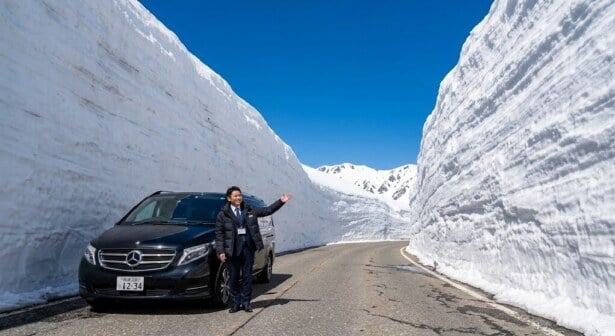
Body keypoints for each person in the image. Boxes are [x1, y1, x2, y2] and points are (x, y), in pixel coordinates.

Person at [215, 186, 293, 313]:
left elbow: (268, 210)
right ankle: (235, 303)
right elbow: (219, 234)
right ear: (229, 198)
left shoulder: (250, 209)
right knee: (233, 278)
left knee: (247, 277)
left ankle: (246, 302)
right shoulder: (223, 214)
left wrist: (281, 201)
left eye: (239, 195)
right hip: (232, 250)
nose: (238, 197)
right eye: (235, 196)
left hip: (248, 249)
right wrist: (221, 251)